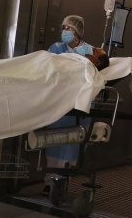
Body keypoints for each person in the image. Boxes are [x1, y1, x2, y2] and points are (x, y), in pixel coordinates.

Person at [43, 16, 109, 196]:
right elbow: (47, 67)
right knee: (54, 141)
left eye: (69, 28)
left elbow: (98, 68)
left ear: (79, 32)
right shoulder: (56, 48)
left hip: (79, 104)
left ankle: (62, 181)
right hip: (58, 104)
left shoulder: (89, 50)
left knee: (71, 144)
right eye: (63, 27)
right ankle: (50, 182)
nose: (65, 30)